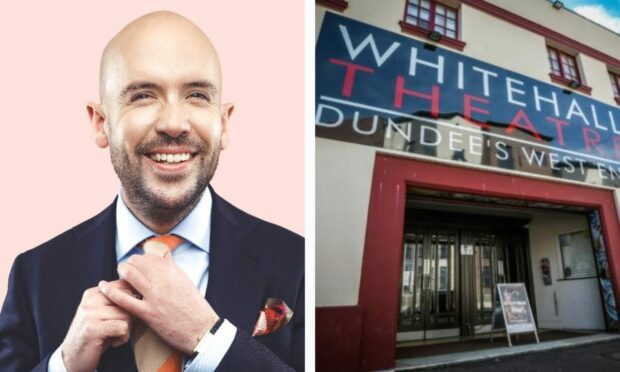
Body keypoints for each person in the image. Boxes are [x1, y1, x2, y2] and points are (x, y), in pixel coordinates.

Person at [0, 10, 304, 372]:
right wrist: (64, 364)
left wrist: (210, 339)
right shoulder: (35, 273)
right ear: (102, 123)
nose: (174, 124)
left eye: (196, 95)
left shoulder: (295, 260)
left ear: (223, 123)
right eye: (143, 96)